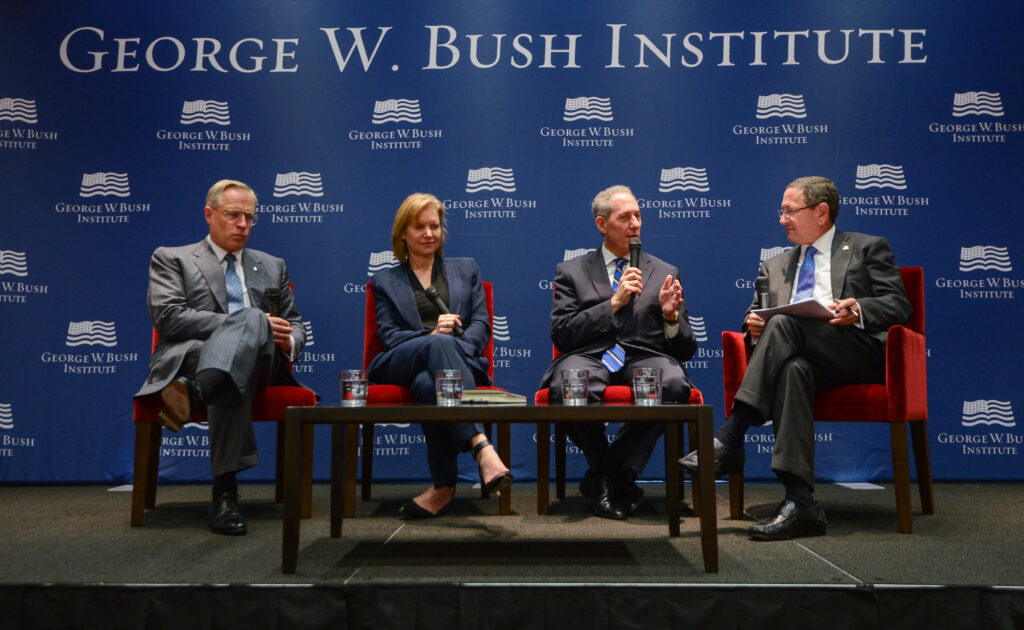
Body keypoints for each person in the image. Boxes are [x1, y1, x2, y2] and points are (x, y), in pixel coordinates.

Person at [680, 176, 912, 540]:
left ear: (821, 212)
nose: (781, 219)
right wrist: (752, 325)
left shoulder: (867, 248)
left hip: (854, 354)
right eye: (782, 211)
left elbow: (899, 304)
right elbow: (755, 315)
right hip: (801, 358)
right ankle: (801, 501)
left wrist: (860, 308)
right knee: (792, 369)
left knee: (786, 323)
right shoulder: (774, 265)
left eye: (790, 211)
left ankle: (732, 434)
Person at [134, 179, 310, 536]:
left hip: (263, 364)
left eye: (250, 217)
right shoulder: (172, 258)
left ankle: (198, 391)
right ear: (209, 214)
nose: (243, 224)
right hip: (190, 357)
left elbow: (295, 324)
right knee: (239, 339)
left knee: (245, 336)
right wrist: (248, 322)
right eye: (233, 215)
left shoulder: (272, 265)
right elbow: (168, 317)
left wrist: (288, 342)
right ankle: (224, 493)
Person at [538, 185, 697, 520]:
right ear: (602, 224)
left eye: (638, 215)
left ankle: (608, 476)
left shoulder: (665, 272)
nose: (635, 223)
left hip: (644, 355)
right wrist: (613, 303)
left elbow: (685, 348)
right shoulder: (571, 271)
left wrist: (670, 318)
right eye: (625, 217)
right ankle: (614, 475)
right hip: (590, 354)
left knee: (672, 383)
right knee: (569, 382)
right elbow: (563, 333)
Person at [368, 192, 512, 518]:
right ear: (403, 232)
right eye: (420, 227)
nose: (430, 233)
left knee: (426, 386)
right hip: (400, 361)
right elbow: (389, 336)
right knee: (437, 347)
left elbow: (480, 326)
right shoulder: (385, 280)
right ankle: (482, 448)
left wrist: (451, 347)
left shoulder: (466, 269)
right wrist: (433, 337)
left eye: (435, 226)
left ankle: (442, 487)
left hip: (458, 364)